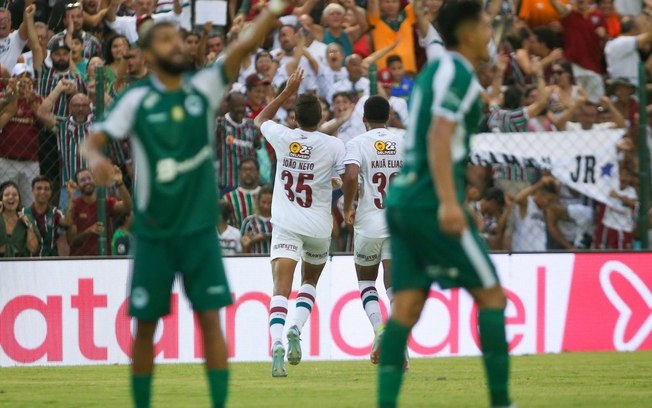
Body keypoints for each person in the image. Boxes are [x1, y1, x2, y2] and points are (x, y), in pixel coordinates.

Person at [83, 6, 284, 406]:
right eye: (165, 39)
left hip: (199, 231)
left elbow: (243, 44)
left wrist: (275, 9)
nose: (176, 43)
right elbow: (94, 139)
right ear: (148, 54)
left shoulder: (202, 86)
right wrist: (96, 161)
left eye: (178, 37)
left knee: (210, 320)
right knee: (144, 327)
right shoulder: (136, 98)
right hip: (153, 233)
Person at [377, 2, 514, 407]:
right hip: (431, 201)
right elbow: (440, 134)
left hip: (402, 199)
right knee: (491, 297)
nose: (491, 30)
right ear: (468, 31)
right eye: (486, 22)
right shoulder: (458, 73)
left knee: (406, 307)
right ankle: (502, 401)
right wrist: (451, 202)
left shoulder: (437, 67)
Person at [253, 68, 345, 377]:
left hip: (286, 224)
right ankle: (296, 326)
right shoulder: (333, 146)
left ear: (294, 118)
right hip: (319, 227)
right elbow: (342, 177)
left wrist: (285, 93)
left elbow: (259, 120)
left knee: (281, 287)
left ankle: (277, 342)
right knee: (309, 283)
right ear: (320, 119)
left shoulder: (283, 136)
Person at [341, 95, 404, 364]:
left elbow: (351, 175)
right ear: (389, 116)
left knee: (367, 281)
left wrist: (347, 207)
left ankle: (379, 328)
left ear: (364, 118)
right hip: (398, 223)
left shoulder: (357, 143)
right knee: (393, 286)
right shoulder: (403, 141)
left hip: (369, 223)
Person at [37, 90, 94, 210]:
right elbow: (41, 112)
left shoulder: (98, 124)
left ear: (90, 108)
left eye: (84, 105)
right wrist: (59, 88)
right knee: (66, 224)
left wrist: (95, 89)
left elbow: (116, 110)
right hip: (69, 185)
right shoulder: (62, 124)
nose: (80, 109)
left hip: (94, 186)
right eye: (76, 105)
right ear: (69, 108)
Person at [66, 167, 132, 256]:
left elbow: (128, 207)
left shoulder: (106, 202)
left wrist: (119, 182)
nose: (87, 182)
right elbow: (71, 241)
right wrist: (88, 231)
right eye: (82, 180)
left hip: (104, 258)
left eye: (89, 178)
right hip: (80, 260)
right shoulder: (74, 205)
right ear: (77, 185)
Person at [215, 92, 261, 195]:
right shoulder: (220, 124)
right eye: (237, 106)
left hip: (249, 184)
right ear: (229, 107)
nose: (240, 110)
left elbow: (257, 149)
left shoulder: (251, 125)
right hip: (227, 183)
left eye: (243, 106)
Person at [511, 176, 559, 252]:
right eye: (549, 200)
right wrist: (539, 184)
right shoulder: (527, 203)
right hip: (522, 253)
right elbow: (517, 199)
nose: (550, 204)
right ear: (540, 194)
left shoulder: (543, 209)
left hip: (540, 253)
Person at [25, 175, 70, 257]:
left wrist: (70, 196)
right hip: (28, 261)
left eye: (46, 189)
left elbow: (67, 222)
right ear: (32, 191)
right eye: (39, 188)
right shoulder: (24, 213)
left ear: (51, 192)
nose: (42, 192)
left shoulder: (55, 212)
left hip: (51, 261)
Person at [0, 180, 40, 257]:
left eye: (15, 195)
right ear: (1, 199)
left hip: (20, 263)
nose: (11, 197)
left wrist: (28, 225)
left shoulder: (27, 218)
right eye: (7, 195)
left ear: (19, 199)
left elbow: (33, 248)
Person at [223, 158, 261, 227]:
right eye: (244, 170)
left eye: (251, 169)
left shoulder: (268, 195)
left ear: (258, 173)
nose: (248, 173)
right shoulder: (228, 198)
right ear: (239, 173)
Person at [240, 184, 273, 254]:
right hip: (254, 261)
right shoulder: (248, 222)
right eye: (263, 202)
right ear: (258, 201)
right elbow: (243, 246)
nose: (266, 206)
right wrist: (253, 240)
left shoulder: (278, 221)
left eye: (269, 203)